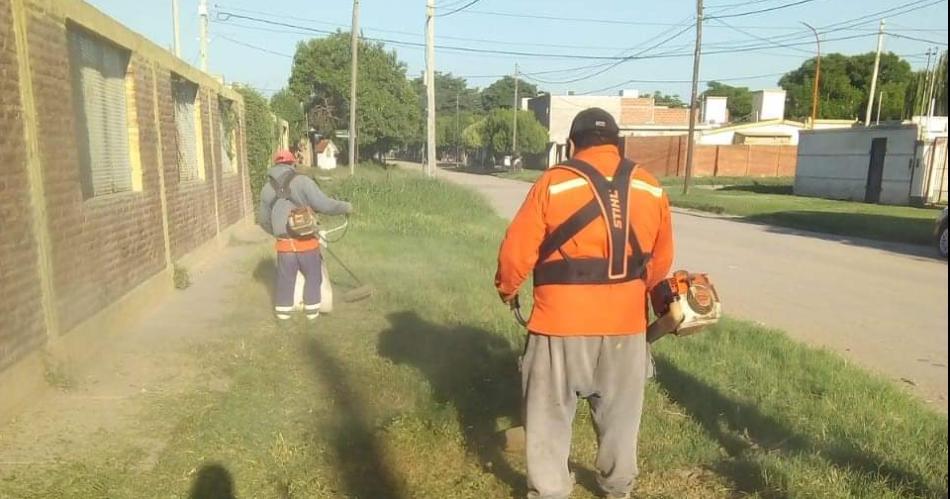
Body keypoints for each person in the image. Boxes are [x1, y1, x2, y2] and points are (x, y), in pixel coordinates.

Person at [495, 108, 674, 499]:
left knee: (548, 418)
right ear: (616, 143)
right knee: (621, 421)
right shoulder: (650, 186)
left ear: (572, 145)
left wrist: (508, 289)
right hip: (626, 327)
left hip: (559, 324)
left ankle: (551, 490)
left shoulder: (553, 182)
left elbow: (515, 253)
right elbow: (659, 265)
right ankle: (617, 487)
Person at [258, 150, 352, 321]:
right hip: (307, 242)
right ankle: (312, 316)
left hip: (284, 245)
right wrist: (345, 207)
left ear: (275, 165)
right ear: (292, 164)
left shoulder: (266, 189)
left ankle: (283, 319)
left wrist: (278, 232)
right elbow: (324, 205)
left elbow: (263, 221)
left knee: (285, 279)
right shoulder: (303, 181)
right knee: (313, 276)